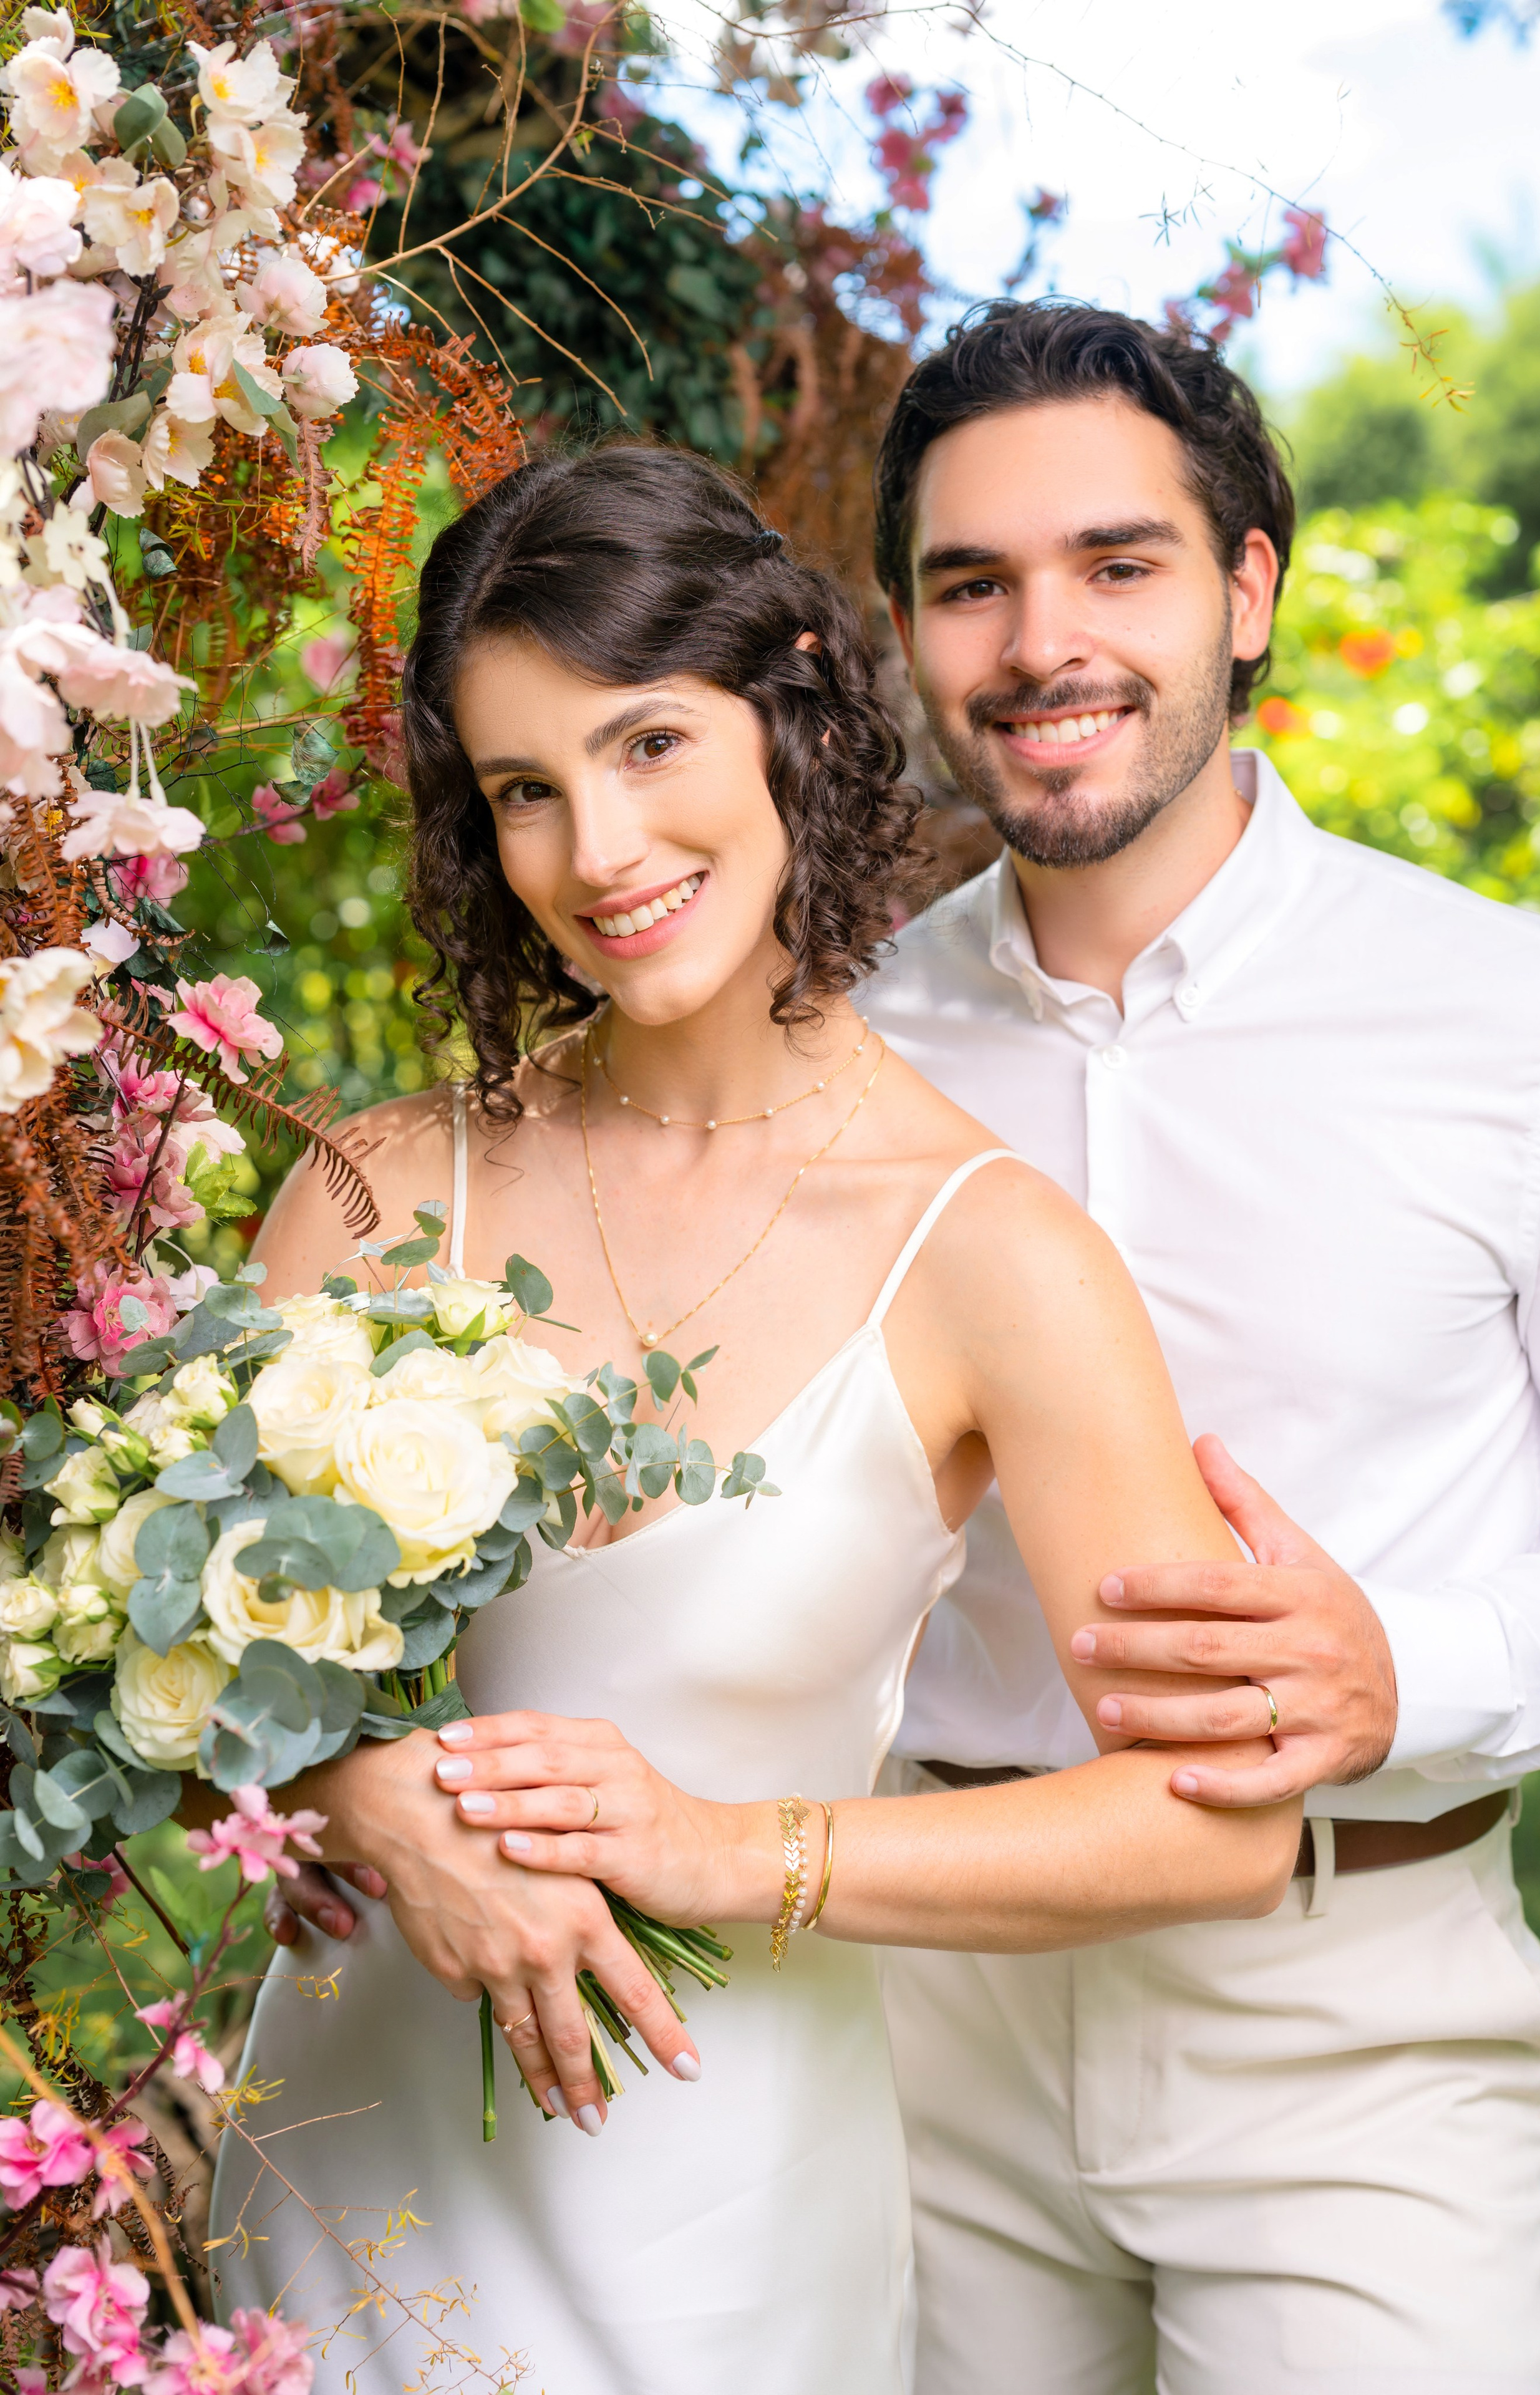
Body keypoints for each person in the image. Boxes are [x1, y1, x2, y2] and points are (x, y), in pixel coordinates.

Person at [210, 441, 1300, 2395]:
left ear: (790, 702)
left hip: (712, 2237)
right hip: (324, 2196)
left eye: (647, 747)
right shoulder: (371, 1194)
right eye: (524, 793)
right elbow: (139, 1644)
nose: (597, 853)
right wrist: (363, 1790)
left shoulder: (993, 1257)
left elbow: (1215, 1825)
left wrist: (744, 1850)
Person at [851, 302, 1540, 2394]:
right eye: (970, 584)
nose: (1039, 643)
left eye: (1119, 563)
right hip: (925, 2003)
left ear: (1250, 588)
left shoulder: (1530, 1026)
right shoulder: (842, 1045)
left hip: (1355, 2022)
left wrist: (1407, 1675)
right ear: (911, 629)